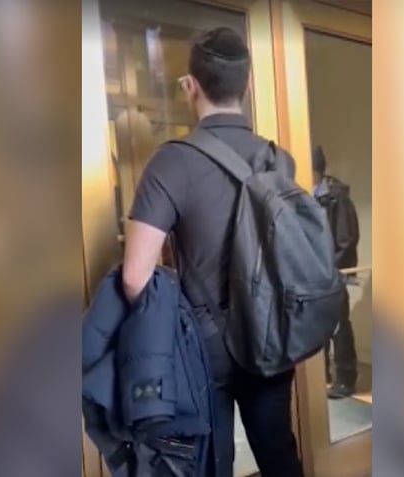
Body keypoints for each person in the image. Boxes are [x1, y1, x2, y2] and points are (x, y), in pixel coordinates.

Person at [121, 27, 303, 477]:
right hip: (271, 337)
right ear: (247, 85)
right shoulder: (278, 160)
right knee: (278, 452)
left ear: (191, 86)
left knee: (208, 460)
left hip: (202, 343)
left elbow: (134, 276)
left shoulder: (172, 162)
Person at [312, 145, 361, 399]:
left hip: (334, 271)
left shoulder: (336, 197)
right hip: (312, 272)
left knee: (339, 325)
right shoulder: (308, 196)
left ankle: (346, 378)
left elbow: (346, 238)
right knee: (316, 325)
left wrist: (334, 270)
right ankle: (321, 376)